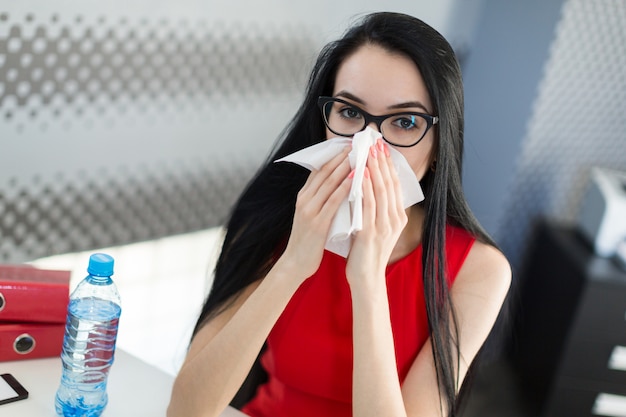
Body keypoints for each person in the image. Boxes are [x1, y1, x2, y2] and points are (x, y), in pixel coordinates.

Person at [167, 11, 511, 417]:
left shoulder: (477, 270)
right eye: (349, 112)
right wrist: (294, 262)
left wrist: (367, 278)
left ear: (439, 146)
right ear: (325, 119)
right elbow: (186, 410)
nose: (368, 143)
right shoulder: (274, 220)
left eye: (404, 122)